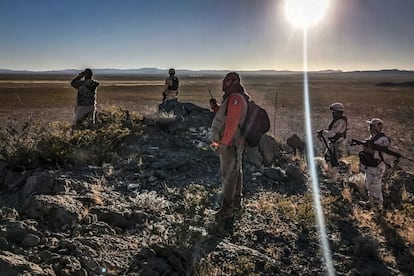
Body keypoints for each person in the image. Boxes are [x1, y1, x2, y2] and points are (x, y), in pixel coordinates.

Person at [210, 72, 249, 220]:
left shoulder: (236, 98)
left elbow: (232, 124)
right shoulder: (235, 97)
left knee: (228, 175)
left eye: (227, 80)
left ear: (234, 82)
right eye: (224, 79)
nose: (224, 82)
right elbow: (229, 116)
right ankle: (236, 204)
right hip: (234, 142)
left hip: (231, 143)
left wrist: (224, 144)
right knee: (235, 172)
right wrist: (216, 108)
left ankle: (226, 210)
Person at [359, 118, 391, 211]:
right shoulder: (372, 138)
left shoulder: (383, 139)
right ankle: (371, 202)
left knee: (375, 186)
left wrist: (372, 152)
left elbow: (384, 154)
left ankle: (377, 208)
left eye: (372, 126)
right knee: (369, 185)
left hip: (377, 166)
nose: (369, 128)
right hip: (370, 165)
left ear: (377, 127)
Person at [317, 102, 347, 182]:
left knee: (334, 160)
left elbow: (332, 133)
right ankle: (330, 173)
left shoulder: (340, 122)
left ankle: (334, 178)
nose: (332, 114)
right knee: (328, 157)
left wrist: (323, 132)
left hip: (338, 144)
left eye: (334, 112)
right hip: (333, 143)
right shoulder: (337, 120)